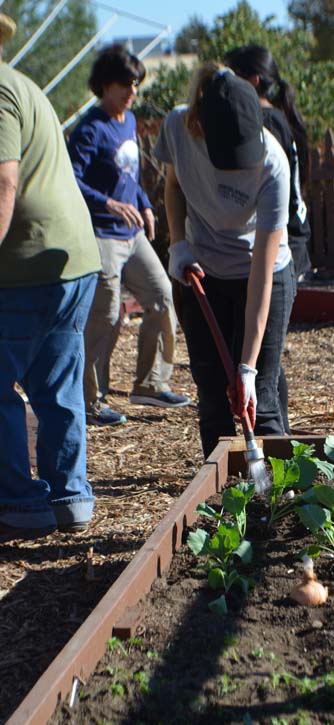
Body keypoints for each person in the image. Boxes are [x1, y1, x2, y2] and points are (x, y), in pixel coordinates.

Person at [154, 63, 295, 458]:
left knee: (261, 398)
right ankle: (219, 497)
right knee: (212, 393)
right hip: (203, 271)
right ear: (200, 121)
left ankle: (277, 498)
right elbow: (173, 185)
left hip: (262, 273)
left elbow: (262, 275)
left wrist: (247, 367)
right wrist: (178, 244)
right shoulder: (179, 127)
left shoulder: (273, 165)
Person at [0, 13, 101, 541]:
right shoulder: (23, 85)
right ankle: (69, 499)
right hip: (72, 260)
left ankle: (18, 504)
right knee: (57, 383)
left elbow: (3, 182)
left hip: (24, 268)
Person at [68, 44, 189, 427]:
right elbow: (71, 180)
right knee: (105, 316)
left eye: (136, 84)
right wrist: (108, 204)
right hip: (101, 234)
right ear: (105, 85)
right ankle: (90, 401)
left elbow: (129, 176)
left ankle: (150, 384)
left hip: (132, 233)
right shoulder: (90, 128)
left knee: (162, 296)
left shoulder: (129, 120)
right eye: (125, 84)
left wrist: (145, 205)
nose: (132, 91)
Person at [224, 44, 312, 433]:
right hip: (293, 237)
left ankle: (274, 458)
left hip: (282, 245)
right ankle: (281, 439)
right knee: (268, 358)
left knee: (264, 364)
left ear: (253, 80)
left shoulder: (262, 124)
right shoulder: (279, 118)